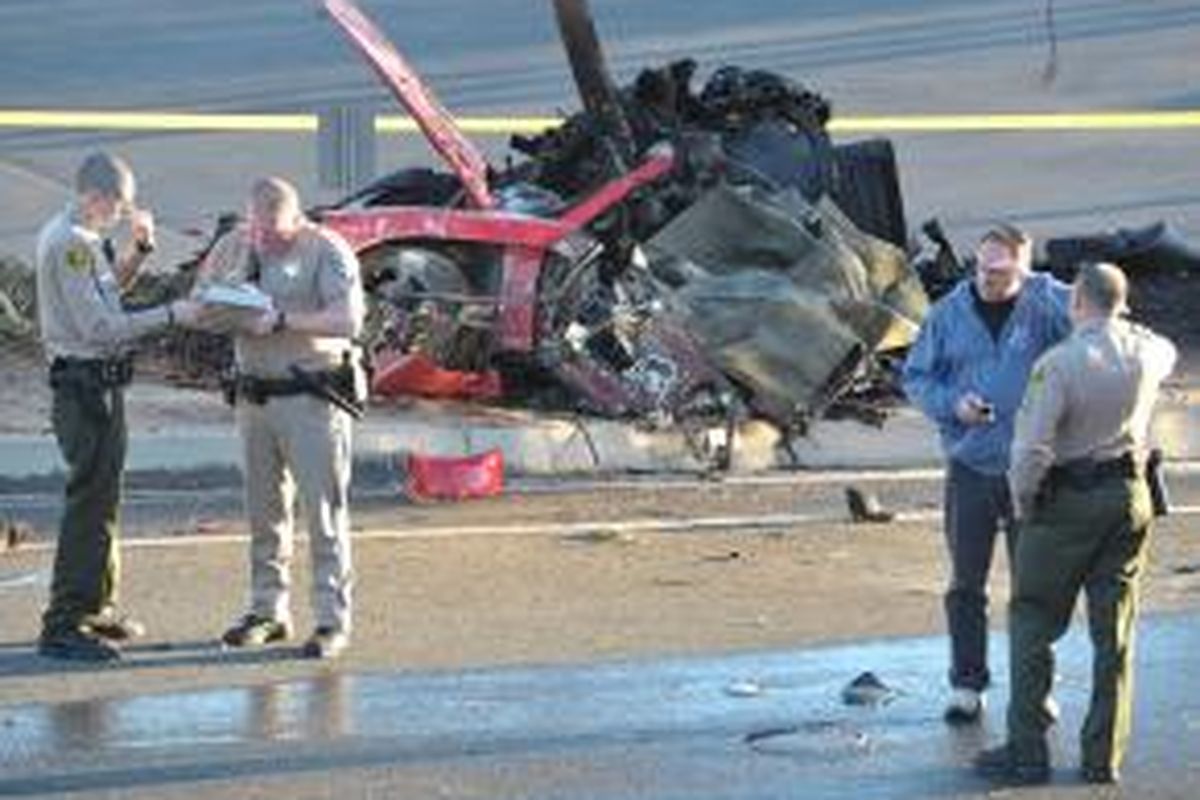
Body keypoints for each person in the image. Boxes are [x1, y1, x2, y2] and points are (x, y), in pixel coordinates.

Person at [975, 262, 1176, 786]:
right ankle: (1101, 757)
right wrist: (1123, 319)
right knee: (1116, 635)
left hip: (1066, 504)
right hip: (1129, 497)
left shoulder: (1059, 364)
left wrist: (1024, 504)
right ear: (1123, 305)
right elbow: (1164, 346)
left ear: (1076, 303)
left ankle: (1027, 752)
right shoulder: (1149, 352)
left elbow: (1032, 449)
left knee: (1032, 622)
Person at [902, 223, 1071, 723]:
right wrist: (954, 406)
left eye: (1001, 272)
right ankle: (967, 684)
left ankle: (1035, 688)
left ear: (1023, 267)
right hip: (971, 467)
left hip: (1032, 468)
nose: (988, 280)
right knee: (966, 584)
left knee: (1034, 585)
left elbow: (1094, 322)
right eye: (982, 268)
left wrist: (1046, 288)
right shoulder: (948, 314)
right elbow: (916, 377)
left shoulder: (1045, 305)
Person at [35, 151, 201, 661]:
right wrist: (175, 313)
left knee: (105, 500)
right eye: (117, 205)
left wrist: (141, 250)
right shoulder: (70, 246)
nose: (121, 213)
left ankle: (95, 606)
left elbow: (108, 295)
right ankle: (63, 622)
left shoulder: (82, 238)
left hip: (98, 385)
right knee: (88, 505)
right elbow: (101, 327)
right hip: (84, 388)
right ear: (93, 196)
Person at [194, 176, 365, 660]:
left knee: (323, 515)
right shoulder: (235, 244)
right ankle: (267, 610)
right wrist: (228, 312)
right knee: (264, 513)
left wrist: (284, 320)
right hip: (254, 398)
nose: (263, 240)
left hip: (309, 398)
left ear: (296, 218)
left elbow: (348, 319)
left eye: (273, 232)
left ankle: (332, 619)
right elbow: (199, 301)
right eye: (257, 230)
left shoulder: (326, 250)